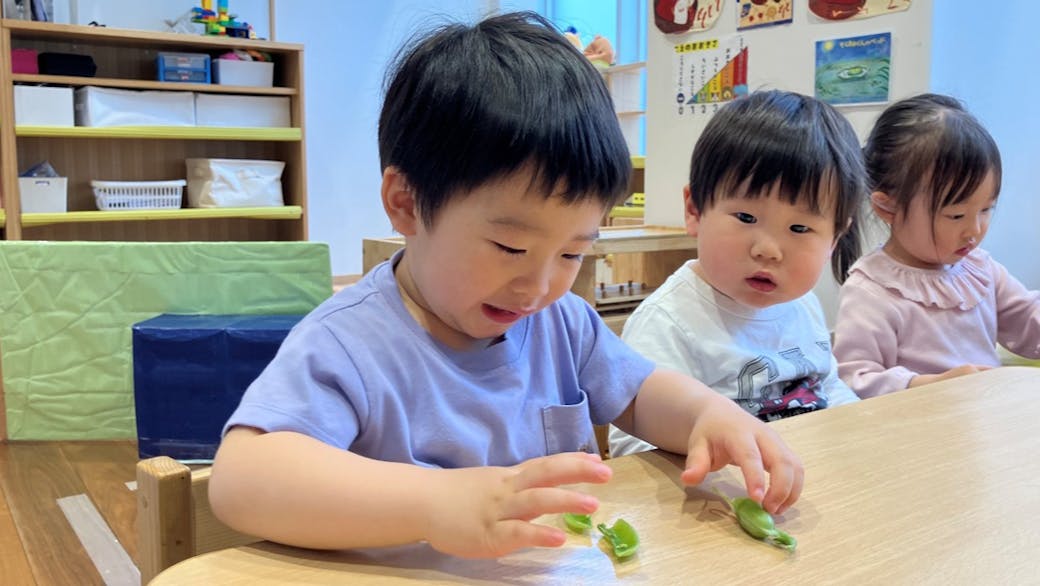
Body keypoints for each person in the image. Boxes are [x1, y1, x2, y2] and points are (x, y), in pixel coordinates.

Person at [207, 12, 802, 560]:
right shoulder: (348, 344)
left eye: (573, 252)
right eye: (510, 248)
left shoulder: (562, 323)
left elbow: (642, 395)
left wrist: (708, 415)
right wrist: (434, 502)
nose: (538, 285)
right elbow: (242, 480)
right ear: (406, 204)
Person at [609, 90, 865, 457]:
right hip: (719, 497)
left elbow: (827, 387)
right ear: (695, 210)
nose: (768, 249)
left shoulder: (802, 305)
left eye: (799, 229)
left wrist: (860, 427)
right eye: (746, 218)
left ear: (835, 239)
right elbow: (633, 443)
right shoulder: (668, 321)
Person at [833, 93, 1040, 398]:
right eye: (956, 215)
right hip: (921, 433)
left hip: (985, 422)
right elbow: (853, 380)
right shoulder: (873, 291)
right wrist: (926, 385)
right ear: (887, 208)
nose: (974, 229)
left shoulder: (979, 270)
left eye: (986, 210)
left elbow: (1028, 322)